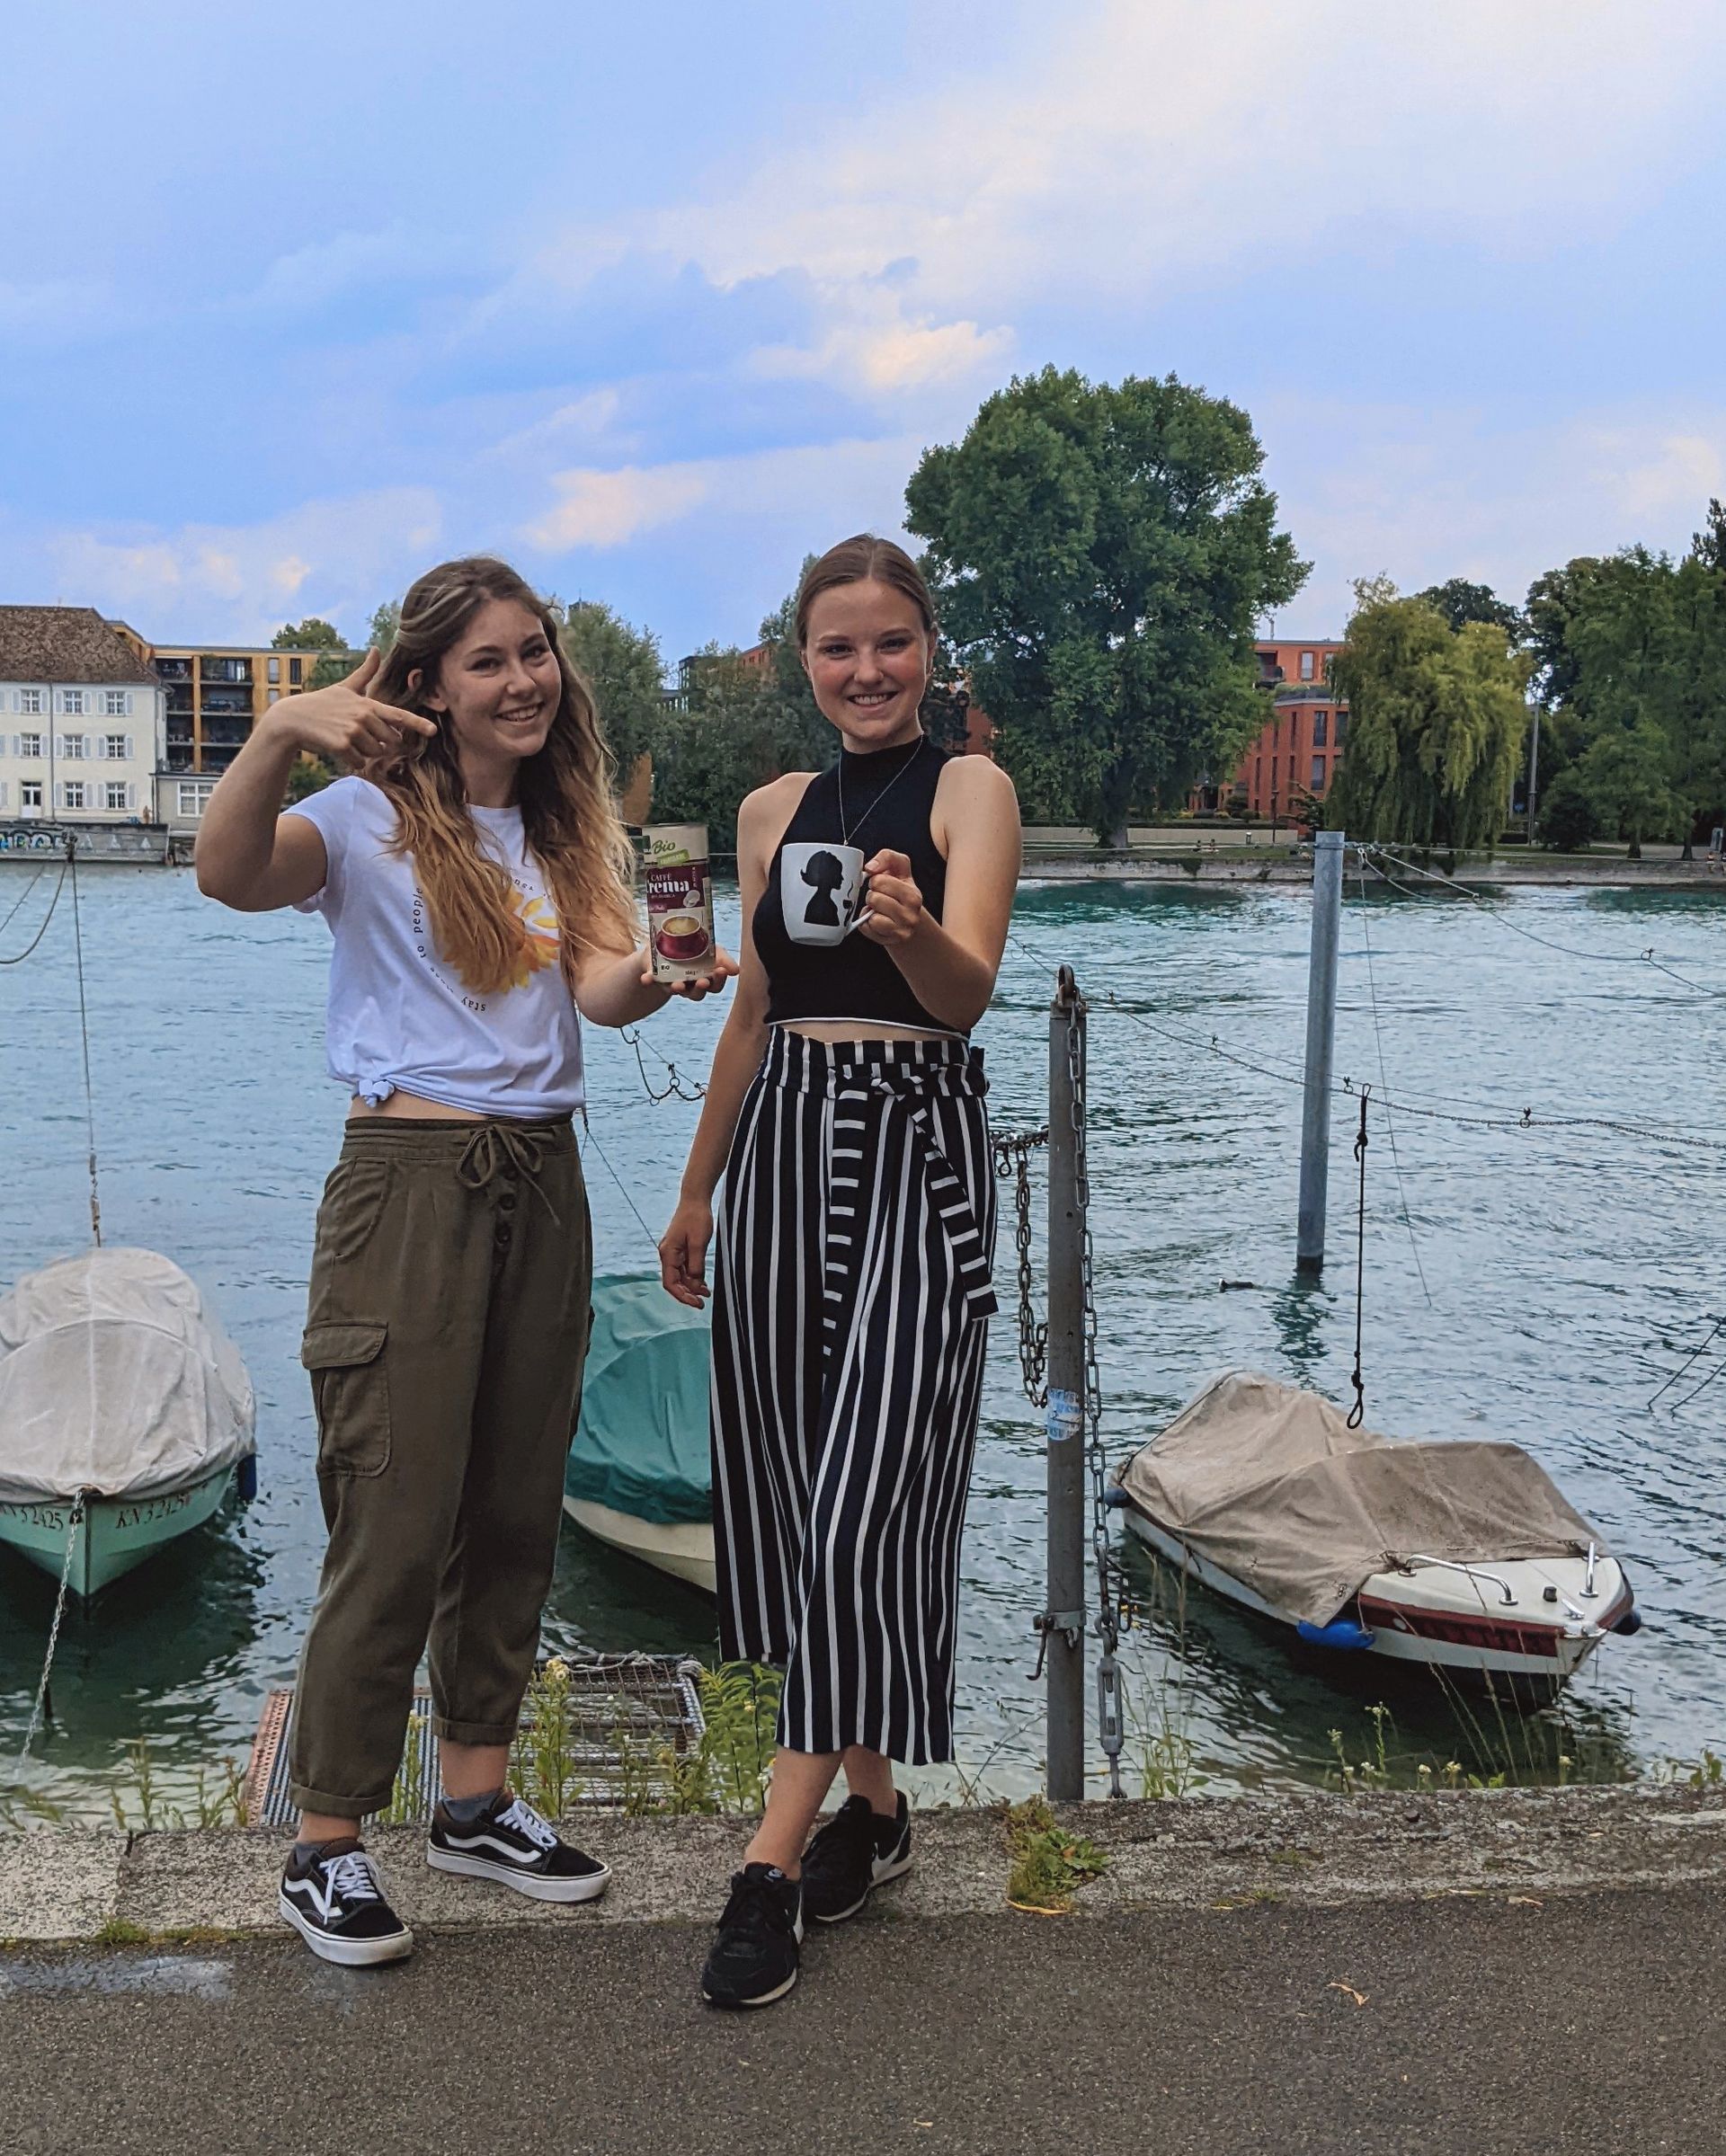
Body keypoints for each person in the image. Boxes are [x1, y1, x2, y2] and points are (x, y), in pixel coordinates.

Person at [197, 556, 732, 1967]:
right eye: (489, 661)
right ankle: (324, 1839)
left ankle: (475, 1801)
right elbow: (230, 874)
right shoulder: (363, 818)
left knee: (512, 1508)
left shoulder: (563, 831)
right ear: (428, 683)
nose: (524, 681)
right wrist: (277, 731)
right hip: (412, 1183)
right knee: (394, 1509)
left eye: (537, 653)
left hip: (541, 1182)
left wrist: (669, 975)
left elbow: (602, 989)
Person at [659, 534, 1020, 2007]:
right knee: (795, 1483)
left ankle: (767, 1866)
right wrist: (696, 1190)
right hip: (787, 1144)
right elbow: (753, 1010)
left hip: (917, 1141)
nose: (865, 671)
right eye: (836, 647)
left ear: (930, 647)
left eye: (890, 643)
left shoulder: (970, 790)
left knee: (871, 1493)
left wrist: (917, 926)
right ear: (802, 660)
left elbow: (970, 994)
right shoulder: (768, 810)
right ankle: (873, 1812)